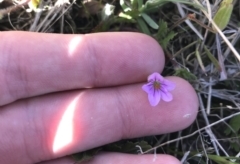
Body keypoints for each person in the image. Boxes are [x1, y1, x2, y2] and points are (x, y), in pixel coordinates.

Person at [0, 31, 198, 164]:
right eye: (155, 83)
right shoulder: (152, 84)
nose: (156, 84)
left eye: (157, 84)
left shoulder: (157, 85)